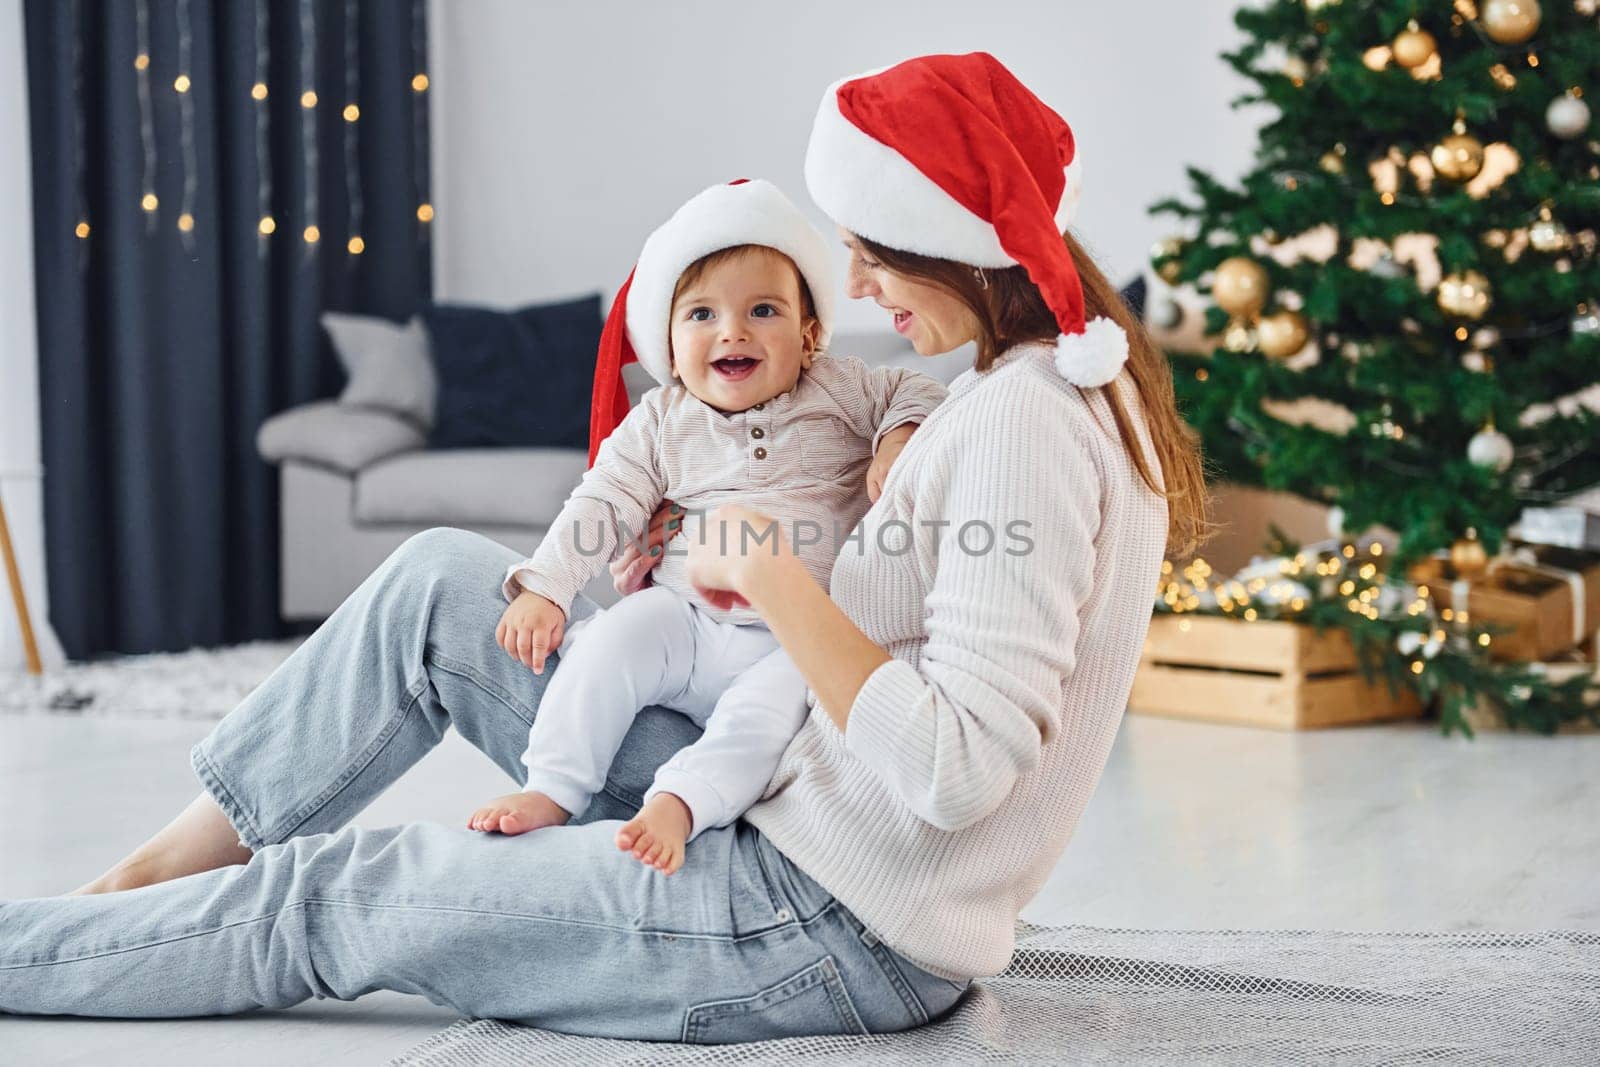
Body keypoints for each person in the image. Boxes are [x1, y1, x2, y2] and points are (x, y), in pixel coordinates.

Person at [1, 52, 1209, 1045]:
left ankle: (31, 948)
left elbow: (958, 770)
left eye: (873, 248)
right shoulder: (1022, 390)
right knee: (438, 583)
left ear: (947, 232)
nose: (852, 281)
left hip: (823, 920)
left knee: (346, 891)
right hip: (778, 800)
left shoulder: (1025, 427)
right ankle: (155, 876)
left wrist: (776, 580)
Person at [466, 178, 947, 876]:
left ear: (809, 335)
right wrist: (546, 586)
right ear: (667, 340)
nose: (733, 331)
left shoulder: (840, 389)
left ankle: (682, 802)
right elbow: (603, 500)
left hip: (792, 636)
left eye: (763, 310)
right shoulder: (662, 420)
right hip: (684, 617)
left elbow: (921, 388)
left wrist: (897, 436)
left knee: (763, 724)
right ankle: (554, 783)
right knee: (609, 648)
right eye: (701, 314)